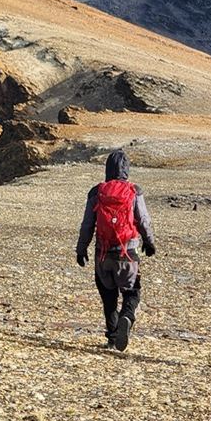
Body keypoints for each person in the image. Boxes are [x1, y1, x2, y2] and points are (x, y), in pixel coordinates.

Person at [76, 150, 156, 352]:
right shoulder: (134, 191)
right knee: (132, 292)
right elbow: (144, 220)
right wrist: (149, 242)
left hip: (103, 253)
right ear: (126, 169)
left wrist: (81, 249)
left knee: (108, 296)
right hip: (127, 252)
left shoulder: (97, 192)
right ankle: (127, 317)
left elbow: (87, 224)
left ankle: (112, 338)